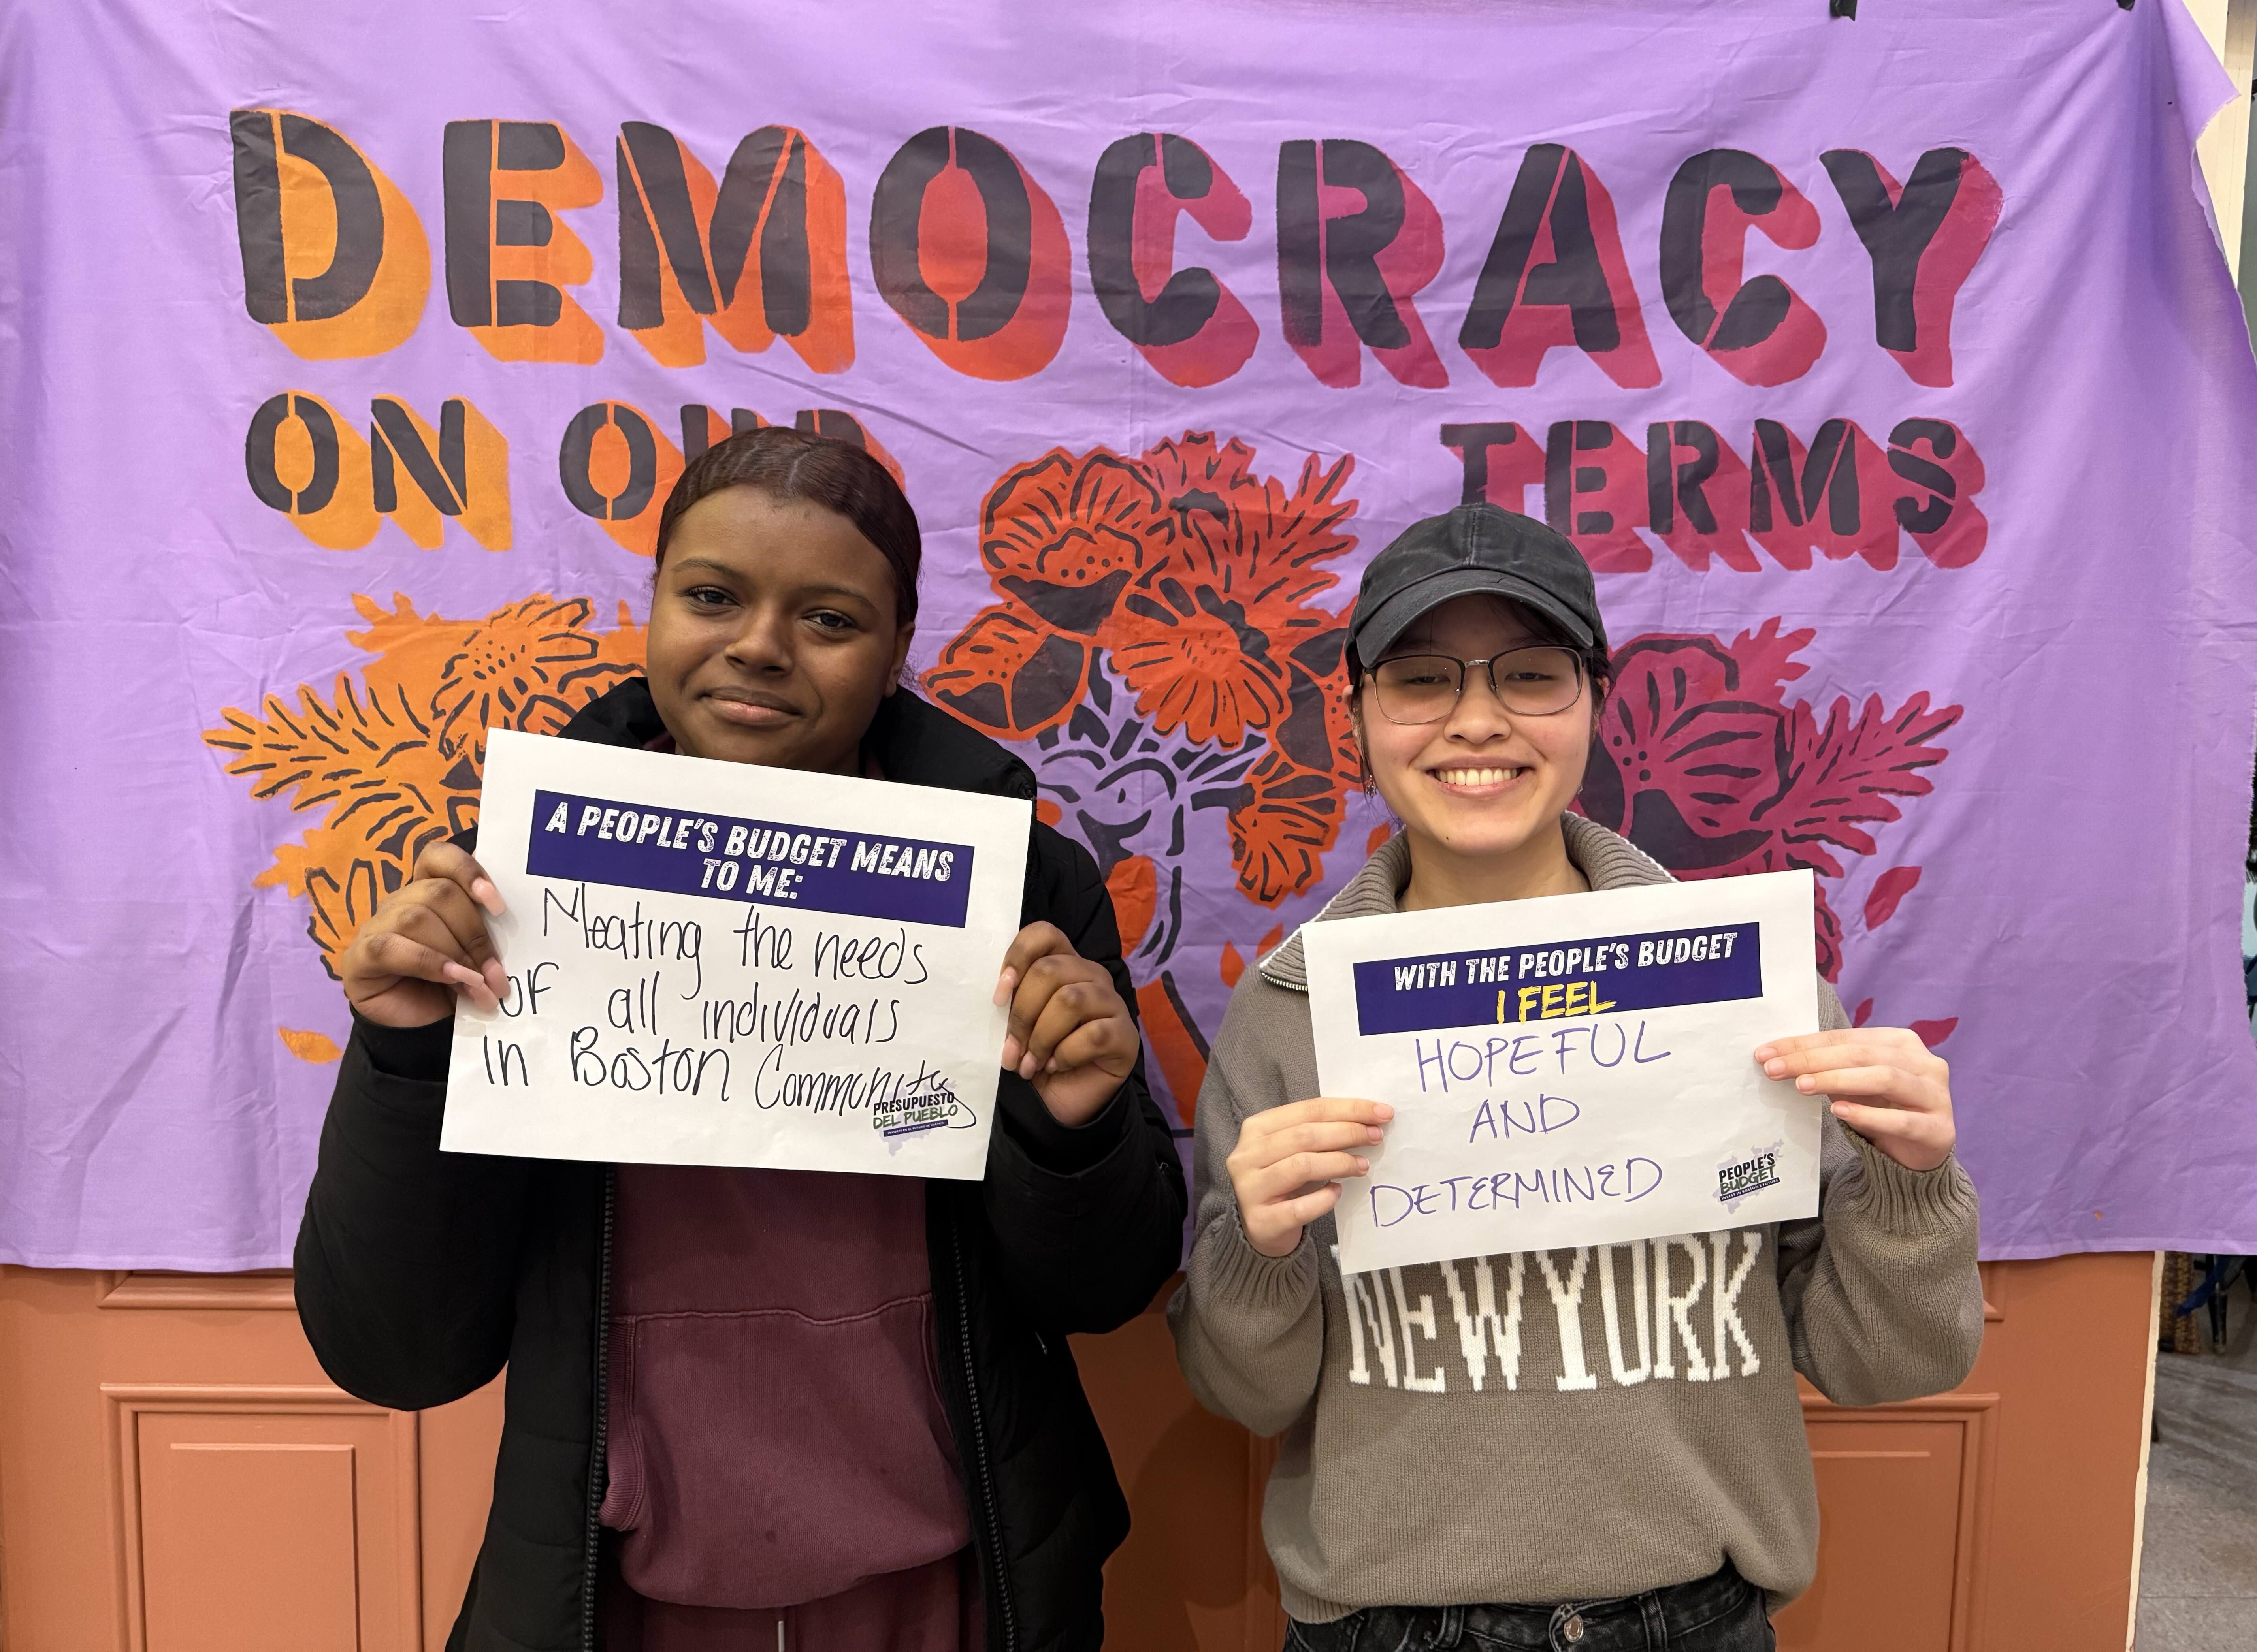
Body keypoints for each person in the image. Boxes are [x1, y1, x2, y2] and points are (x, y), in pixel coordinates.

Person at [296, 427, 1187, 1652]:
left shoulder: (1024, 890)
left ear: (895, 657)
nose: (759, 644)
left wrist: (1075, 1124)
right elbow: (394, 1347)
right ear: (653, 605)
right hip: (618, 1599)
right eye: (711, 595)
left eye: (829, 618)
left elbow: (1103, 1290)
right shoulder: (511, 889)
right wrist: (405, 1056)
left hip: (953, 1588)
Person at [1168, 503, 1980, 1652]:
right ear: (1356, 711)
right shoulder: (1286, 1013)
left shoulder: (1742, 985)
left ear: (1596, 698)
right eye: (1423, 679)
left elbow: (1888, 1361)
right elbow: (1246, 1394)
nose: (1478, 720)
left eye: (1532, 674)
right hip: (1386, 1628)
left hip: (1692, 1618)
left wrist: (1907, 1190)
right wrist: (1258, 1254)